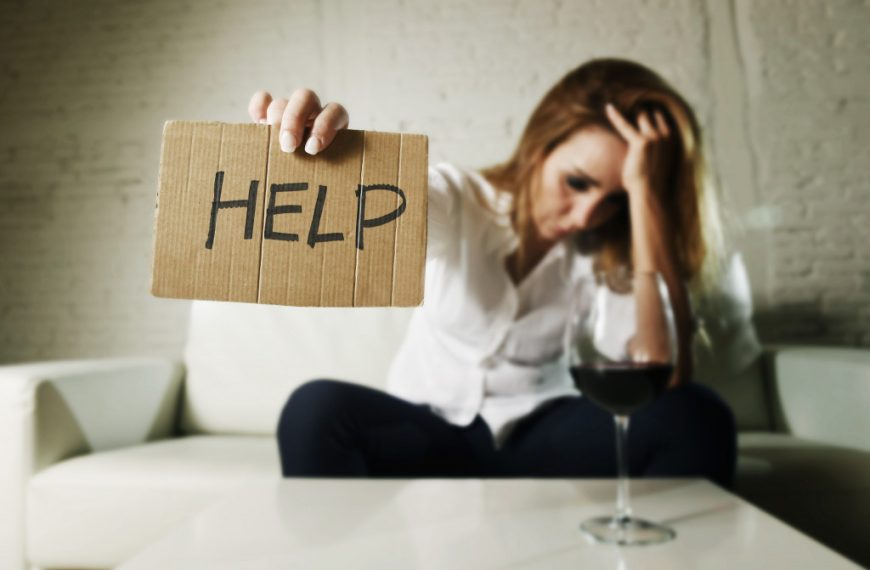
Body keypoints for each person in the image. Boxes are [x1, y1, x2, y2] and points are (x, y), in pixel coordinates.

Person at [252, 57, 738, 489]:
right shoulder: (463, 200)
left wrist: (646, 196)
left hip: (542, 439)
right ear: (539, 147)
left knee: (696, 415)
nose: (589, 214)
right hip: (424, 432)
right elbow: (394, 207)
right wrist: (312, 155)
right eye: (577, 182)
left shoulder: (611, 252)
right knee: (314, 410)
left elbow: (661, 373)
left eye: (616, 199)